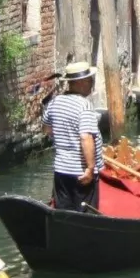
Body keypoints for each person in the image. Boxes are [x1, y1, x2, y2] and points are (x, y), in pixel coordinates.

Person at [43, 62, 104, 211]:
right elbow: (85, 138)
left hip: (61, 170)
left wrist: (65, 135)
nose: (92, 83)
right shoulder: (84, 106)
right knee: (85, 213)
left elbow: (46, 129)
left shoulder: (54, 102)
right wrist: (90, 168)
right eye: (90, 80)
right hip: (81, 172)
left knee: (63, 211)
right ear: (80, 82)